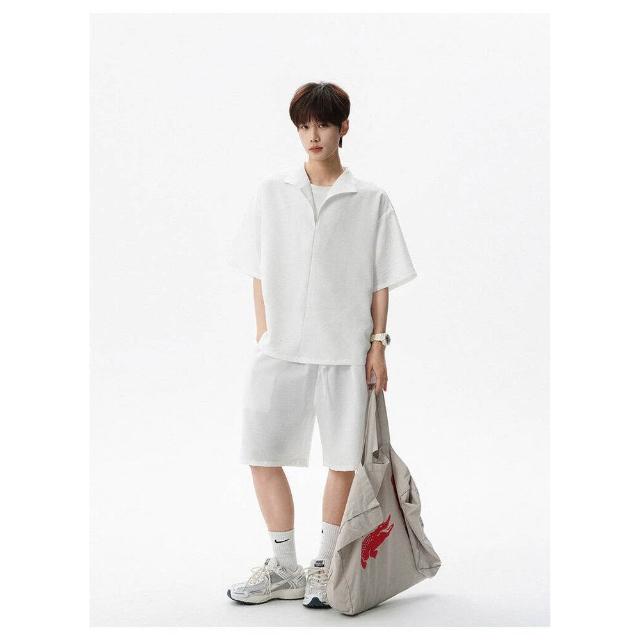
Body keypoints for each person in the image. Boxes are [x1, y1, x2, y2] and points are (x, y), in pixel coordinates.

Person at [227, 81, 417, 608]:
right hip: (281, 348)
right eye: (305, 126)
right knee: (261, 451)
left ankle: (324, 566)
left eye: (324, 125)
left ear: (343, 128)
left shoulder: (370, 199)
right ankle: (283, 567)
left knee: (343, 460)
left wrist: (377, 345)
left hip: (343, 348)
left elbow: (381, 279)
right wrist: (265, 330)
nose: (313, 135)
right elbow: (257, 266)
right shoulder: (273, 192)